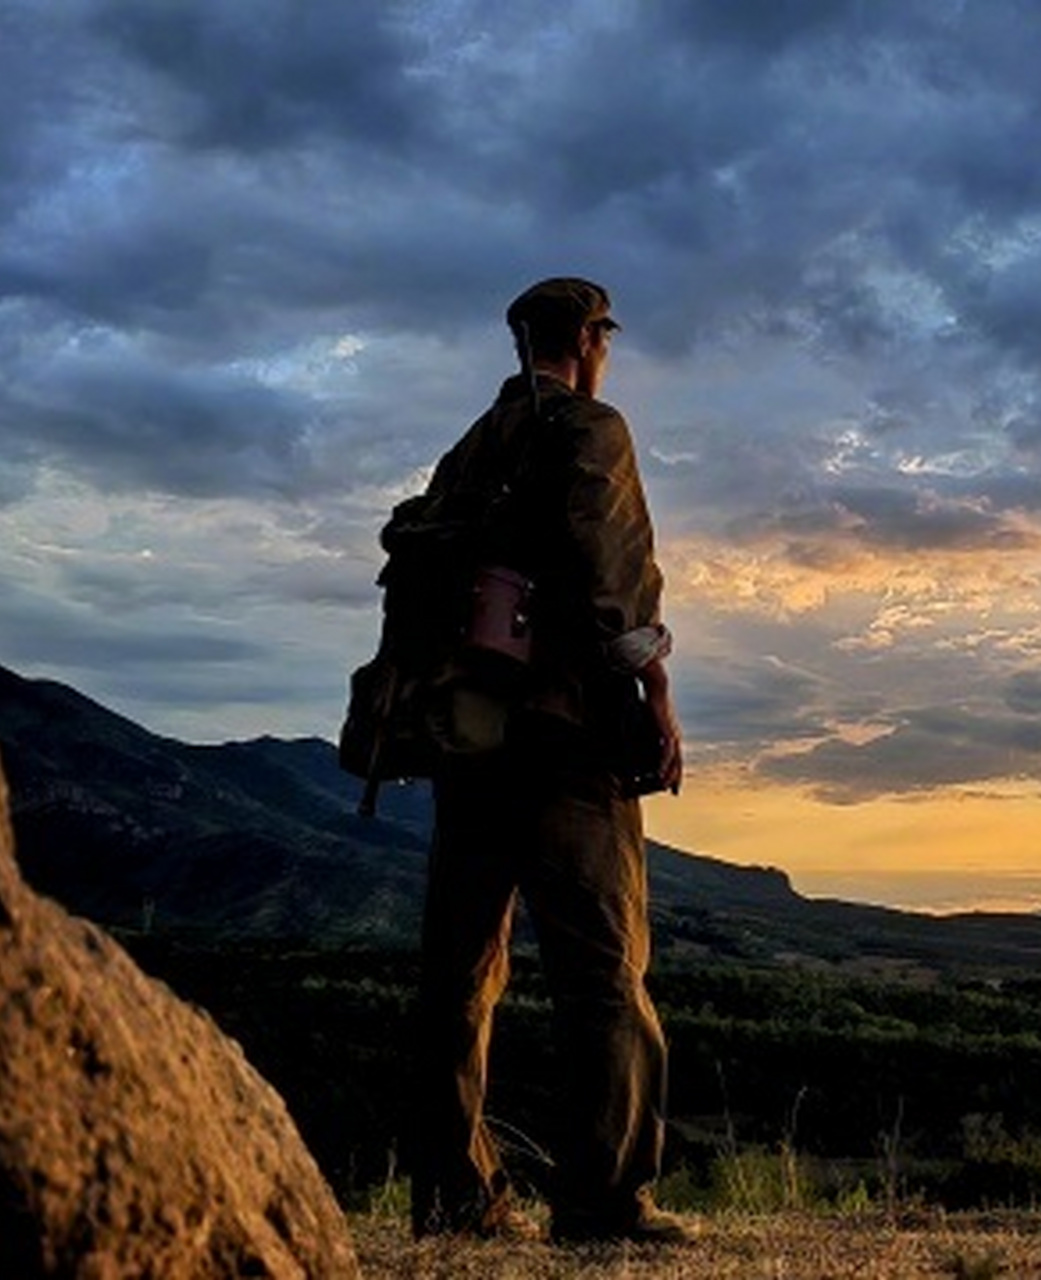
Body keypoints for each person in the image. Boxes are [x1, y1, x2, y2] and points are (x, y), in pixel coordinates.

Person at [408, 276, 692, 1245]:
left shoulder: (467, 450)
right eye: (605, 334)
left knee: (458, 975)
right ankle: (605, 1200)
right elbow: (612, 578)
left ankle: (457, 1198)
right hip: (566, 738)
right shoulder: (593, 431)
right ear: (588, 336)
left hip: (469, 736)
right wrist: (655, 695)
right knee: (606, 969)